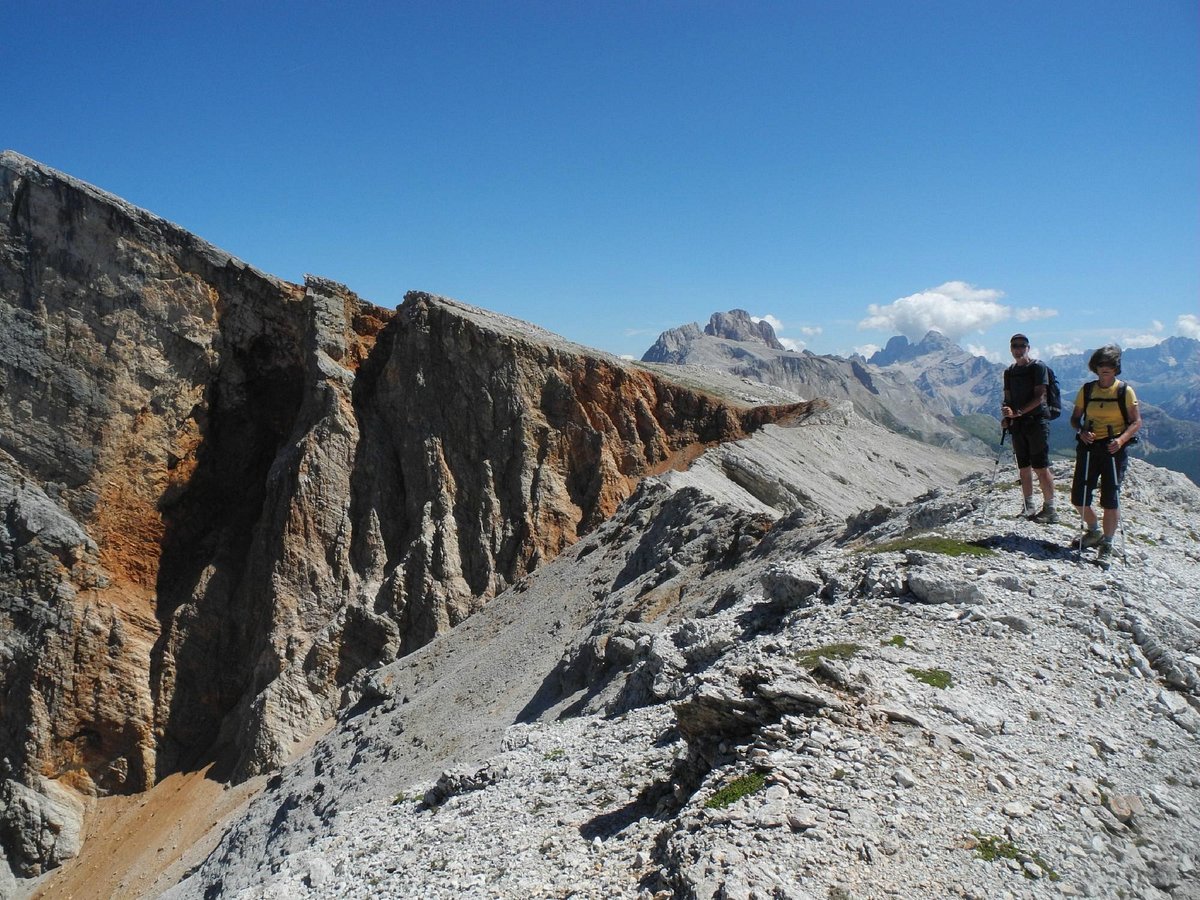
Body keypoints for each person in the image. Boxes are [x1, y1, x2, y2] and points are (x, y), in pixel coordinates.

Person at [1070, 344, 1141, 563]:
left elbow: (1136, 422)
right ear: (1095, 367)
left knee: (1110, 500)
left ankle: (1107, 544)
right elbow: (1074, 419)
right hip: (1089, 448)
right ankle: (1094, 531)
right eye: (1101, 364)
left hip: (1113, 450)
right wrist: (1081, 431)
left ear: (1116, 367)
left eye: (1109, 364)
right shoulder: (1087, 390)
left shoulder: (1124, 391)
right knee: (1078, 497)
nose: (1105, 368)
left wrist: (1120, 440)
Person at [1000, 333, 1057, 522]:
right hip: (1018, 424)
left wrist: (1017, 412)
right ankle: (1028, 506)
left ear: (1028, 348)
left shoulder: (1038, 367)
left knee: (1041, 467)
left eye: (1021, 346)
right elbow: (1007, 398)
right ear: (1011, 349)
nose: (1018, 349)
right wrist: (1007, 416)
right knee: (1023, 467)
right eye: (1014, 346)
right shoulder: (1009, 372)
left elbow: (1040, 396)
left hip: (1036, 422)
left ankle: (1050, 509)